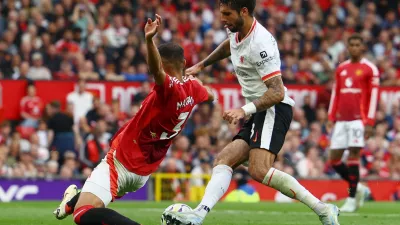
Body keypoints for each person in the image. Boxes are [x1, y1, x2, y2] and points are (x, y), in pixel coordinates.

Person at [165, 1, 339, 225]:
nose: (222, 19)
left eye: (227, 14)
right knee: (223, 160)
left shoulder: (261, 43)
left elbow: (276, 92)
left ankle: (324, 210)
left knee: (259, 170)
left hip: (274, 108)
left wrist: (242, 109)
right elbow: (231, 45)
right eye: (221, 13)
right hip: (259, 110)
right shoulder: (236, 30)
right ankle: (198, 215)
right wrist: (202, 64)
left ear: (244, 12)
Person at [52, 14, 214, 225]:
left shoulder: (170, 88)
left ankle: (75, 204)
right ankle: (71, 201)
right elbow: (210, 93)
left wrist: (148, 40)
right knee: (94, 198)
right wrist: (195, 76)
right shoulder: (194, 88)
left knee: (83, 215)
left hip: (122, 162)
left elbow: (157, 71)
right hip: (143, 172)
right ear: (184, 62)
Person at [327, 33, 378, 212]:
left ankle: (351, 197)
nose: (355, 48)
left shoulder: (370, 69)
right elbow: (336, 94)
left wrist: (370, 121)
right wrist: (331, 116)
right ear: (348, 47)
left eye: (358, 45)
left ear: (362, 47)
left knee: (353, 157)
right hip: (342, 120)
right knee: (333, 159)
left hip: (359, 120)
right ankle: (359, 188)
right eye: (352, 45)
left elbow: (373, 97)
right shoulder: (341, 68)